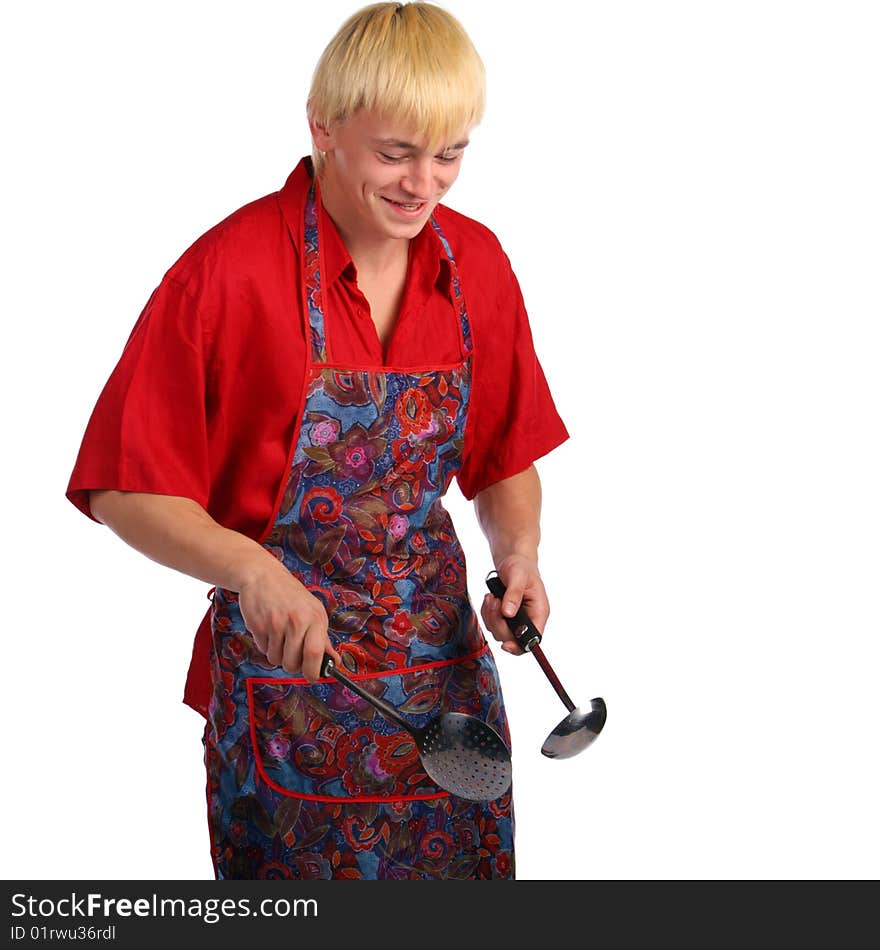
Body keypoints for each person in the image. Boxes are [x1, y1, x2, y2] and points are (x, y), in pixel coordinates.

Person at [65, 1, 568, 880]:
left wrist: (518, 553)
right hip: (286, 686)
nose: (425, 184)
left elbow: (503, 453)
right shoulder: (225, 272)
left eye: (450, 153)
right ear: (323, 126)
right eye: (395, 152)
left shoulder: (476, 265)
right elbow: (122, 486)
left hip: (441, 685)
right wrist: (253, 572)